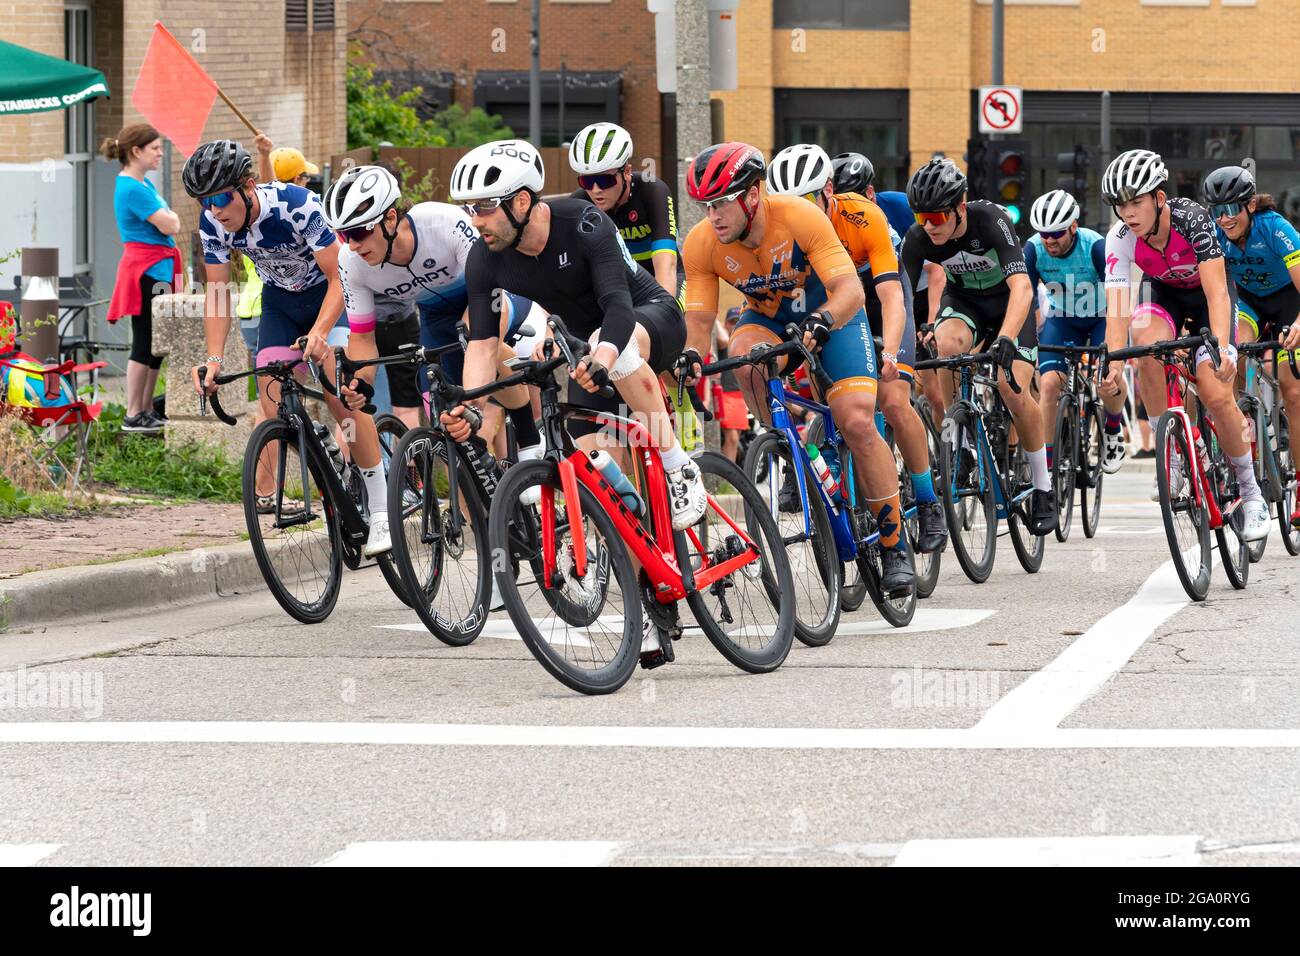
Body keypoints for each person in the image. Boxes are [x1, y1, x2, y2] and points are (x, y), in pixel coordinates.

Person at [681, 141, 913, 593]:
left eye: (722, 203)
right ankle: (784, 444)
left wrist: (824, 319)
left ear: (752, 195)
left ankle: (893, 543)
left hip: (834, 316)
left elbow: (849, 290)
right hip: (769, 320)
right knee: (747, 361)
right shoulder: (701, 244)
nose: (714, 216)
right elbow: (700, 320)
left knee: (857, 422)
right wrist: (692, 354)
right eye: (706, 207)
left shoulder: (800, 216)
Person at [446, 139, 706, 533]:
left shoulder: (582, 221)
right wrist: (470, 405)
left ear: (520, 202)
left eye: (483, 207)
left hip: (648, 319)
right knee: (597, 484)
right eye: (469, 208)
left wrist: (600, 358)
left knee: (614, 344)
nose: (474, 220)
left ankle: (679, 467)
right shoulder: (485, 256)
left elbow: (617, 307)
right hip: (588, 350)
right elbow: (482, 345)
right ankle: (644, 573)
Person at [184, 139, 392, 556]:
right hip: (281, 303)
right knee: (272, 397)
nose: (215, 210)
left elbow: (339, 278)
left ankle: (382, 506)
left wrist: (319, 332)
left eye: (222, 197)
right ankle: (325, 456)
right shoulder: (214, 225)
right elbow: (221, 292)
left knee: (341, 395)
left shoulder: (296, 205)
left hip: (332, 298)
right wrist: (212, 360)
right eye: (205, 202)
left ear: (249, 185)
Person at [767, 143, 946, 552]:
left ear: (828, 191)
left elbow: (891, 296)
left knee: (895, 400)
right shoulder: (784, 228)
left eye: (808, 200)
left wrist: (889, 354)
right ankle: (827, 464)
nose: (800, 212)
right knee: (829, 396)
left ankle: (926, 497)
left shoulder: (864, 214)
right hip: (832, 306)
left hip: (882, 297)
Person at [1097, 149, 1269, 540]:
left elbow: (1217, 293)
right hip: (1164, 296)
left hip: (1209, 299)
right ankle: (1172, 454)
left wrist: (1225, 348)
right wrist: (1110, 362)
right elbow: (1118, 309)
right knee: (1144, 346)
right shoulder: (1120, 238)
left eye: (1136, 202)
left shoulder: (1192, 219)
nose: (1128, 214)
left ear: (1159, 198)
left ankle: (1251, 492)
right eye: (1121, 206)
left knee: (1214, 390)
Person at [323, 164, 541, 455]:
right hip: (437, 319)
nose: (351, 245)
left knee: (477, 335)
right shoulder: (351, 262)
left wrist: (471, 396)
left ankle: (529, 440)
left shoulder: (442, 222)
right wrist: (361, 383)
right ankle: (471, 492)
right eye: (342, 234)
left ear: (390, 218)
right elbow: (362, 338)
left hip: (492, 297)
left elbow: (488, 294)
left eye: (359, 232)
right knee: (450, 430)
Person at [899, 158, 1057, 536]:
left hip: (1008, 304)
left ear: (959, 207)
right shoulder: (919, 237)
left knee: (1012, 387)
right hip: (965, 302)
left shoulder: (989, 220)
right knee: (945, 344)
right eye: (922, 217)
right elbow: (901, 296)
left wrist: (1005, 337)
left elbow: (1022, 288)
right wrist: (905, 340)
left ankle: (1043, 488)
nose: (929, 226)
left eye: (937, 217)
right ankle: (963, 445)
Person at [568, 122, 700, 451]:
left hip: (658, 278)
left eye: (605, 179)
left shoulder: (653, 190)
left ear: (627, 171)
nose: (595, 189)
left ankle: (680, 400)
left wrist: (664, 315)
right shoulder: (579, 205)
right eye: (587, 181)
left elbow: (666, 264)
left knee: (663, 342)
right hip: (618, 286)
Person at [1203, 164, 1300, 527]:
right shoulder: (1215, 235)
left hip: (1289, 300)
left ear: (1250, 206)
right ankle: (1243, 427)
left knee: (1292, 386)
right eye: (1217, 212)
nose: (1225, 219)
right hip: (1249, 303)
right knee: (1234, 352)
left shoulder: (1274, 228)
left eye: (1231, 210)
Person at [1025, 188, 1129, 473]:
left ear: (1073, 226)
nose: (1049, 240)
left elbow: (1117, 293)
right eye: (1043, 233)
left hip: (1101, 316)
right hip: (1062, 318)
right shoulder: (1033, 249)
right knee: (1048, 385)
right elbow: (1026, 298)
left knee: (1110, 377)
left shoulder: (1094, 246)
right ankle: (1045, 469)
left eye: (1056, 233)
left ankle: (1111, 427)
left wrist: (1113, 350)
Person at [103, 124, 183, 433]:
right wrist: (170, 219)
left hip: (157, 268)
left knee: (154, 344)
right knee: (144, 341)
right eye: (155, 148)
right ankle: (133, 412)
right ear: (136, 151)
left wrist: (170, 219)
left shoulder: (143, 185)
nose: (160, 153)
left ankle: (146, 408)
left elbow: (170, 222)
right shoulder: (132, 187)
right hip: (145, 270)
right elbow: (170, 225)